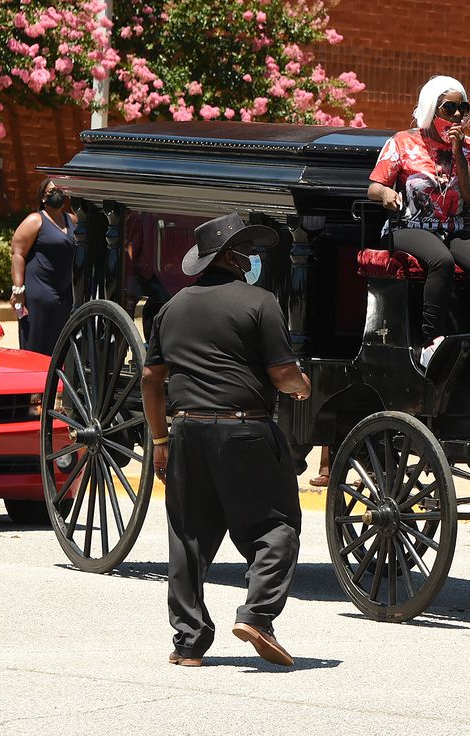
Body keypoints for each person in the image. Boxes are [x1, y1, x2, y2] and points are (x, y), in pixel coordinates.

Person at [141, 213, 311, 668]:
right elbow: (281, 373)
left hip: (186, 430)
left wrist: (159, 439)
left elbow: (150, 378)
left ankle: (189, 643)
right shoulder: (260, 302)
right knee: (277, 528)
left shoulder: (170, 309)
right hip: (245, 430)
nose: (252, 261)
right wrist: (301, 386)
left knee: (188, 536)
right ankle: (257, 614)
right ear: (233, 258)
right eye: (247, 254)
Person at [368, 75, 470, 367]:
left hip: (451, 227)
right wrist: (387, 193)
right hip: (407, 226)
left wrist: (458, 154)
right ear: (431, 108)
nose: (457, 115)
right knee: (439, 261)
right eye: (449, 108)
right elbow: (374, 186)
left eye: (462, 109)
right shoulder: (403, 142)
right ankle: (430, 343)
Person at [9, 178, 75, 355]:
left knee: (59, 347)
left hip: (64, 295)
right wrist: (18, 290)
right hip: (38, 293)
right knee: (36, 347)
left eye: (60, 191)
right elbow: (17, 254)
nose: (57, 194)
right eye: (52, 191)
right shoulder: (35, 220)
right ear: (43, 198)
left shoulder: (72, 220)